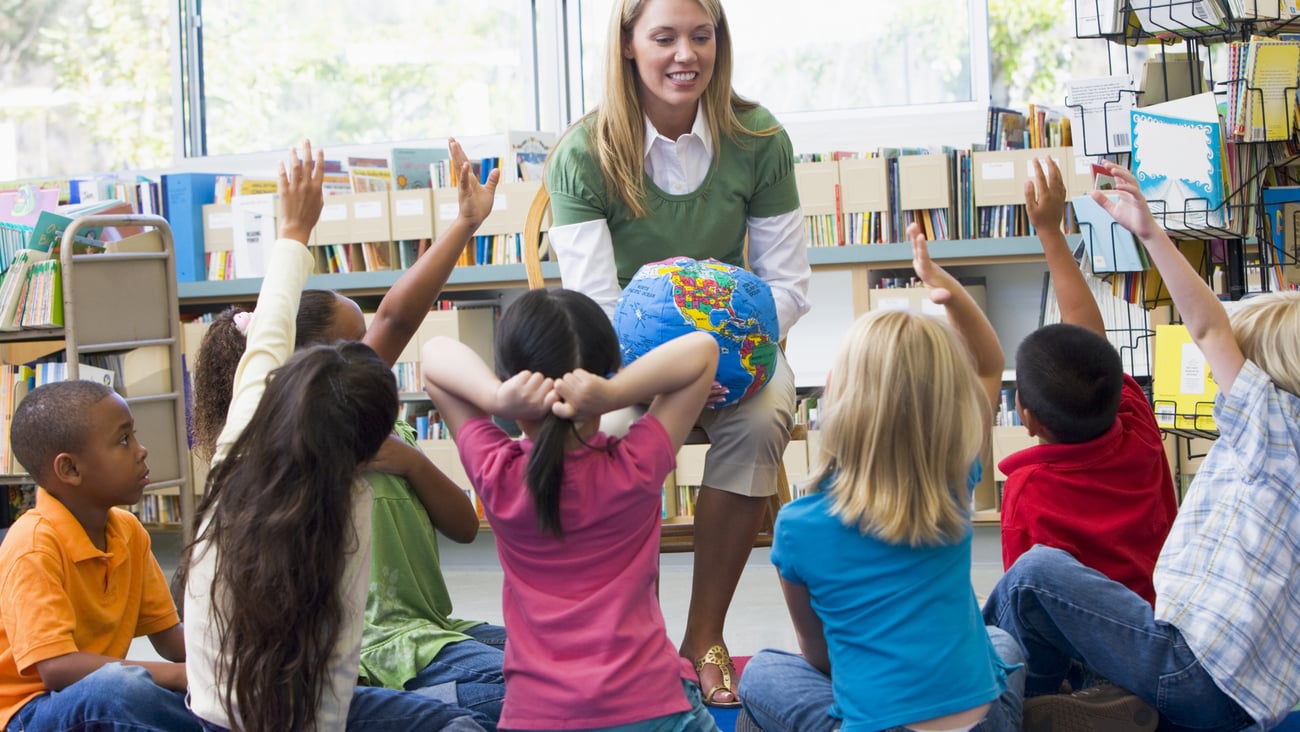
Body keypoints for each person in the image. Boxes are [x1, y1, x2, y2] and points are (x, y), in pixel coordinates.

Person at [188, 138, 508, 730]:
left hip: (417, 640)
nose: (369, 355)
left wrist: (465, 223)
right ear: (297, 367)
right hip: (362, 667)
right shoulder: (271, 444)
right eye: (347, 347)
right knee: (522, 690)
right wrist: (291, 231)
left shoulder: (341, 406)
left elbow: (395, 318)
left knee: (559, 663)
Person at [544, 0, 810, 706]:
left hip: (739, 347)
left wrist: (732, 358)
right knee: (604, 430)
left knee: (760, 422)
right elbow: (593, 306)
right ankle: (622, 640)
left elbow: (787, 286)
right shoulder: (583, 153)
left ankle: (704, 636)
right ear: (627, 45)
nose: (685, 54)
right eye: (663, 37)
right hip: (622, 356)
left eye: (702, 35)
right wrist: (667, 378)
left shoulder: (759, 137)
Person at [984, 160, 1300, 731]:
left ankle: (1004, 711)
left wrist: (1149, 232)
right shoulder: (1137, 426)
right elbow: (1090, 343)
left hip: (1191, 669)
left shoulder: (1273, 426)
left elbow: (1206, 328)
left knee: (1030, 578)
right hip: (1250, 696)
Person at [735, 224, 1024, 732]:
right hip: (986, 722)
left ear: (836, 398)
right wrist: (947, 292)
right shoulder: (954, 480)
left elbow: (821, 657)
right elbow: (990, 365)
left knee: (761, 672)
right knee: (999, 641)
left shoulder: (799, 525)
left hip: (879, 725)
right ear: (946, 405)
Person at [421, 288, 722, 731]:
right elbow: (703, 348)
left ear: (512, 379)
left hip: (536, 717)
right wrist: (617, 392)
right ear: (605, 375)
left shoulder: (497, 473)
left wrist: (495, 397)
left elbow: (433, 355)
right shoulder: (635, 465)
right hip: (655, 710)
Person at [999, 157, 1177, 606]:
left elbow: (1029, 606)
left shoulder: (1029, 492)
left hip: (1093, 657)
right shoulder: (1137, 428)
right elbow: (1089, 334)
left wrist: (1047, 229)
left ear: (1027, 418)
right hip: (1165, 616)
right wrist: (1051, 232)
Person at [0, 380, 202, 731]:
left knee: (142, 691)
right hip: (27, 713)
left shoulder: (128, 531)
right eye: (124, 440)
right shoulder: (32, 545)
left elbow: (170, 639)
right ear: (71, 470)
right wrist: (181, 677)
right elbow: (57, 669)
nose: (141, 451)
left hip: (90, 697)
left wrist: (236, 655)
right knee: (120, 690)